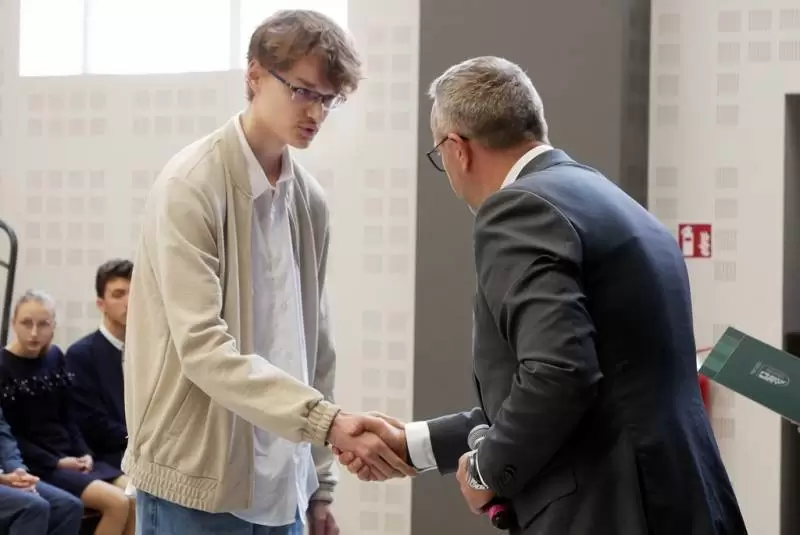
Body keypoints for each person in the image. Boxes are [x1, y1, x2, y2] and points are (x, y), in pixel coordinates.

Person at [338, 56, 748, 534]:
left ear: (457, 148)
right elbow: (594, 387)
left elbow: (559, 373)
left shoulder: (517, 210)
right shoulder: (611, 201)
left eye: (439, 155)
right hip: (684, 498)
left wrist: (485, 470)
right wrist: (412, 443)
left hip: (609, 511)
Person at [122, 9, 412, 535]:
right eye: (302, 91)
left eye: (328, 99)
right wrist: (327, 423)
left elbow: (312, 348)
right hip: (196, 483)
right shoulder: (191, 185)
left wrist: (319, 484)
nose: (316, 112)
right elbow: (203, 348)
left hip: (285, 487)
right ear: (254, 75)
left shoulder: (310, 202)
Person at [0, 290, 135, 535]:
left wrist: (84, 452)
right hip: (39, 463)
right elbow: (11, 435)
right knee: (118, 503)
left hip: (69, 457)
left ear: (54, 325)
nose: (34, 333)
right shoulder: (3, 365)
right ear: (13, 323)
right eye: (26, 323)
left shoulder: (55, 356)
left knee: (134, 495)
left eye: (43, 324)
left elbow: (68, 416)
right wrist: (56, 462)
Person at [67, 259, 132, 469]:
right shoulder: (80, 355)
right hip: (106, 458)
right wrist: (143, 441)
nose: (129, 301)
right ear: (101, 304)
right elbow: (93, 425)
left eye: (134, 293)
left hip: (150, 456)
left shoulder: (151, 350)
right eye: (118, 294)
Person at [0, 405, 83, 535]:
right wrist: (2, 479)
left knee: (69, 506)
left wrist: (18, 471)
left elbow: (4, 438)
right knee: (33, 506)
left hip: (6, 475)